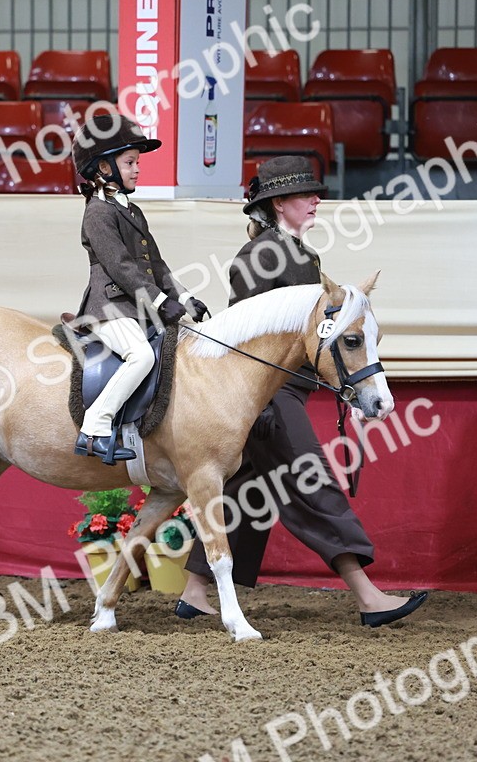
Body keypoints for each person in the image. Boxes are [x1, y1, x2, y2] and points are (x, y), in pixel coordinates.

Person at [174, 155, 428, 628]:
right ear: (276, 205)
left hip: (291, 388)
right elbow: (241, 335)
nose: (315, 200)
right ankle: (368, 595)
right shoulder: (258, 258)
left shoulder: (307, 257)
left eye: (315, 194)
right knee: (312, 482)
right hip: (266, 395)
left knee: (248, 490)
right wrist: (262, 404)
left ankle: (194, 592)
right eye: (304, 195)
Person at [70, 112, 209, 463]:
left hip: (135, 307)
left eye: (137, 162)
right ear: (104, 169)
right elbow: (121, 267)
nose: (137, 169)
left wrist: (186, 297)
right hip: (109, 307)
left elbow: (156, 265)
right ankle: (95, 427)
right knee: (141, 356)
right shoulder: (98, 213)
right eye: (130, 162)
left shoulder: (131, 210)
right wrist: (162, 302)